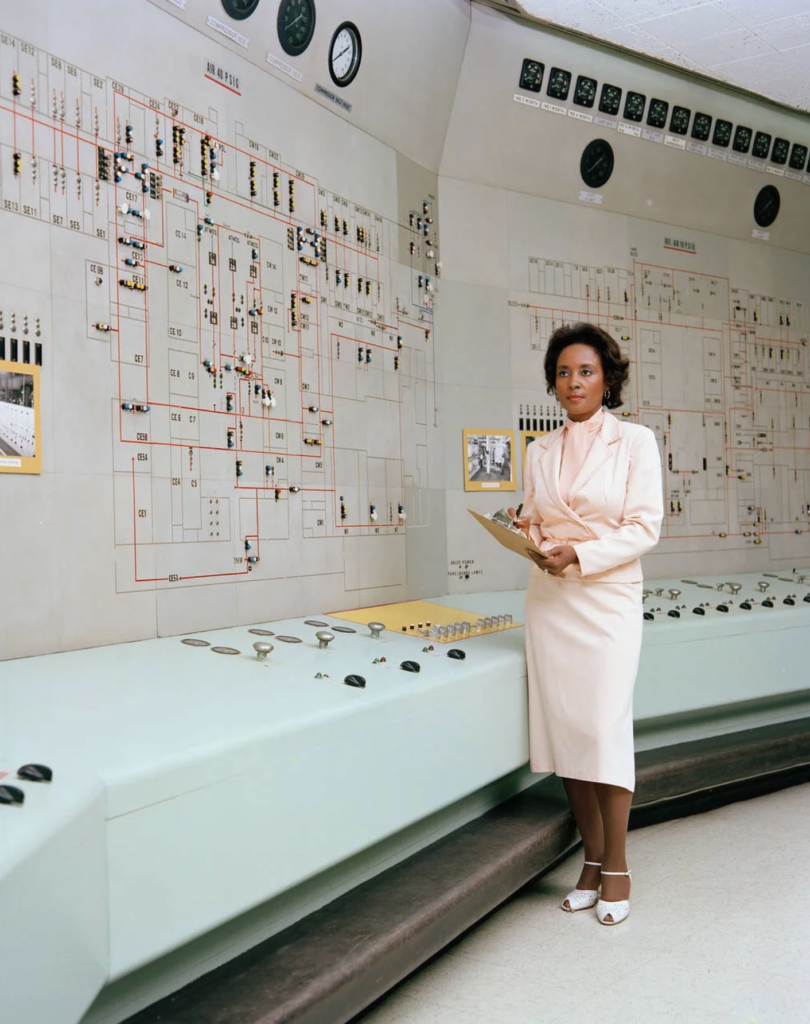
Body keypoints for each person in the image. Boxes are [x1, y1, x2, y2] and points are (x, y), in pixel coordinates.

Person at [508, 322, 663, 926]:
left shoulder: (636, 443)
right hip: (550, 600)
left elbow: (645, 526)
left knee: (602, 727)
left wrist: (580, 553)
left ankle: (619, 865)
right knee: (567, 730)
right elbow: (533, 515)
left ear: (608, 379)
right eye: (565, 372)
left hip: (605, 598)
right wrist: (529, 535)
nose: (574, 382)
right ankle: (592, 860)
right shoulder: (538, 450)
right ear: (553, 382)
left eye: (587, 371)